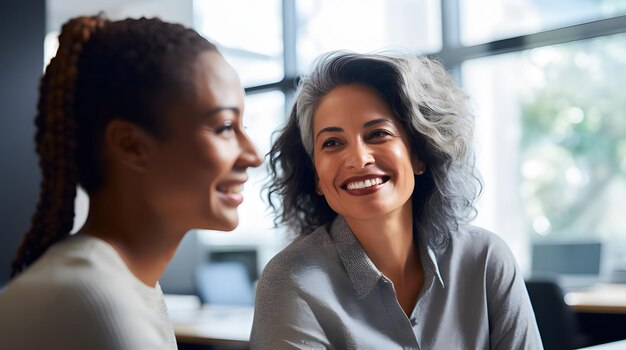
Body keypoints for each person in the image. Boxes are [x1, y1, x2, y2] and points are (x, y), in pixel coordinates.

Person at [0, 15, 261, 350]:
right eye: (225, 127)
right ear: (131, 145)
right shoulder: (96, 303)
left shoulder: (126, 285)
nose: (254, 156)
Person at [251, 51, 542, 349]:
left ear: (418, 154)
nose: (359, 159)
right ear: (317, 178)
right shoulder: (291, 281)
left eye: (378, 134)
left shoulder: (486, 260)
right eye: (333, 143)